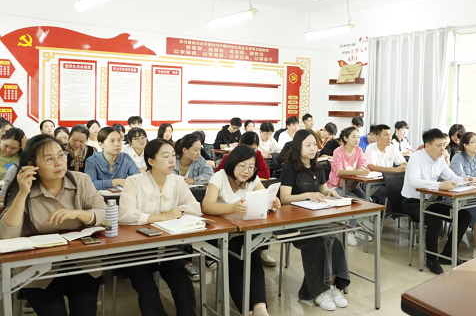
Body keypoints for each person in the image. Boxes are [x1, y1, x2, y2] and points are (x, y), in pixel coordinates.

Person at [0, 135, 106, 316]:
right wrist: (22, 193)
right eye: (49, 159)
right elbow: (6, 235)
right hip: (36, 270)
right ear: (32, 164)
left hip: (81, 263)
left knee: (85, 308)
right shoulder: (23, 187)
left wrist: (78, 213)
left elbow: (106, 215)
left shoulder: (81, 180)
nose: (58, 162)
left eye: (61, 155)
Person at [119, 139, 199, 316]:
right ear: (151, 161)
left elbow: (195, 207)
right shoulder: (134, 181)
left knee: (181, 280)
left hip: (167, 246)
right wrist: (161, 217)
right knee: (146, 285)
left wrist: (177, 211)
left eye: (173, 155)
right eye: (165, 156)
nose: (171, 160)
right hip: (137, 248)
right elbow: (124, 215)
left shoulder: (177, 181)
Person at [202, 145, 280, 316]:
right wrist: (232, 208)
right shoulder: (219, 177)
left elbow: (264, 197)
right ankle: (247, 309)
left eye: (251, 167)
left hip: (244, 231)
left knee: (253, 258)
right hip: (221, 233)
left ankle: (259, 308)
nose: (247, 171)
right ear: (232, 163)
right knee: (235, 260)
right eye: (242, 166)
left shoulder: (252, 179)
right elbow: (206, 206)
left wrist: (272, 202)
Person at [279, 129, 350, 311]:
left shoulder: (318, 166)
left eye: (314, 145)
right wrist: (307, 195)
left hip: (314, 218)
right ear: (298, 147)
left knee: (334, 238)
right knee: (320, 241)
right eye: (308, 145)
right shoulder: (289, 168)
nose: (313, 149)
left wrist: (329, 193)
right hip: (293, 222)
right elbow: (284, 198)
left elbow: (323, 189)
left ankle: (331, 286)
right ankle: (318, 291)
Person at [400, 128, 472, 275]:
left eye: (444, 145)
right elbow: (414, 182)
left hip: (430, 201)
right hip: (412, 202)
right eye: (439, 146)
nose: (443, 149)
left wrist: (466, 180)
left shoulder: (439, 160)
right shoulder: (416, 158)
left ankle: (447, 255)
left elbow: (452, 177)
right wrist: (439, 185)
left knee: (464, 216)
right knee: (435, 221)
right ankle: (431, 259)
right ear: (427, 145)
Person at [327, 126, 369, 246]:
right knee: (353, 202)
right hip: (335, 186)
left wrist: (358, 171)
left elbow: (362, 165)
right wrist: (358, 172)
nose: (357, 140)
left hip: (353, 185)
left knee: (367, 200)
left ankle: (360, 228)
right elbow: (339, 172)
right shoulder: (338, 151)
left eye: (358, 137)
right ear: (345, 138)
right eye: (354, 137)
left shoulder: (359, 150)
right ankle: (350, 231)